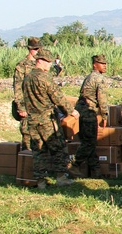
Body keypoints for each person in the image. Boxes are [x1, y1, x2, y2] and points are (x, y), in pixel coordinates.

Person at [22, 48, 79, 189]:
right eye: (48, 62)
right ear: (40, 61)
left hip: (32, 120)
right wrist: (72, 111)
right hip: (46, 120)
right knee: (58, 147)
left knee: (38, 151)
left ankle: (40, 181)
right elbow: (57, 97)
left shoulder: (27, 78)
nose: (49, 65)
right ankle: (61, 177)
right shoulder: (44, 78)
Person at [75, 54, 109, 178]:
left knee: (89, 142)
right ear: (95, 64)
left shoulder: (89, 77)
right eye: (102, 63)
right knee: (89, 142)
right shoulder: (99, 79)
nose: (105, 66)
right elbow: (102, 99)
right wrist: (105, 115)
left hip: (81, 111)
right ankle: (74, 164)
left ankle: (96, 171)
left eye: (105, 63)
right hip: (89, 112)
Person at [12, 37, 41, 148]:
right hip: (27, 106)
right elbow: (18, 87)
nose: (37, 51)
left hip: (40, 106)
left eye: (39, 48)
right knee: (27, 136)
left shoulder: (41, 64)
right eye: (35, 49)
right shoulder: (22, 66)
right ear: (29, 49)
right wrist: (21, 107)